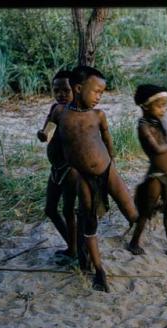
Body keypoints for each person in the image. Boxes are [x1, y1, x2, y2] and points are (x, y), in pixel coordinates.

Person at [50, 66, 138, 292]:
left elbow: (107, 140)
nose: (99, 96)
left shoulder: (98, 115)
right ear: (79, 89)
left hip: (107, 170)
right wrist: (45, 133)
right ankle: (98, 269)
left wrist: (113, 159)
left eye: (102, 93)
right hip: (84, 178)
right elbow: (49, 128)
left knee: (130, 209)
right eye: (96, 91)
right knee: (89, 224)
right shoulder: (62, 113)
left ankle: (137, 235)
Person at [127, 84, 167, 262]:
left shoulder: (159, 122)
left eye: (165, 105)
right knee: (146, 212)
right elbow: (156, 148)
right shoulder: (143, 126)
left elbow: (166, 143)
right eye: (160, 105)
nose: (164, 109)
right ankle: (133, 242)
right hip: (156, 176)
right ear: (145, 106)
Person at [36, 70, 79, 265]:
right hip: (56, 169)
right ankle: (73, 245)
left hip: (70, 171)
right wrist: (43, 134)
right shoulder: (55, 108)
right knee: (50, 209)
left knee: (69, 211)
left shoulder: (77, 112)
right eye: (56, 90)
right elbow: (49, 131)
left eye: (65, 90)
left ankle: (74, 249)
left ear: (76, 90)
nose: (61, 94)